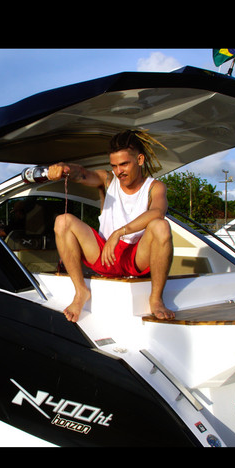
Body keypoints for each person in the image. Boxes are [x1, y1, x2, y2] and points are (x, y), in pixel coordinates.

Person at [48, 129, 175, 323]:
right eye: (114, 165)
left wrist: (119, 233)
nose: (118, 171)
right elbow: (82, 173)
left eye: (124, 164)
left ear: (140, 160)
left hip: (135, 257)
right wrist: (64, 168)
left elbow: (157, 212)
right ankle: (81, 291)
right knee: (62, 221)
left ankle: (156, 299)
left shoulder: (155, 187)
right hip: (104, 255)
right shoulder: (107, 180)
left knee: (161, 226)